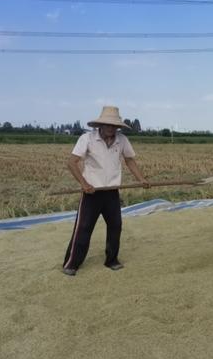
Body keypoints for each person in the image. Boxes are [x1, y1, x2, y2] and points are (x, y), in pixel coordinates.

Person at [62, 106, 150, 276]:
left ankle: (111, 260)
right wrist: (84, 183)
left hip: (112, 192)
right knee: (84, 228)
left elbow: (130, 160)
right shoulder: (87, 138)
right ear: (100, 125)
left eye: (114, 126)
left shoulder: (122, 140)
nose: (111, 129)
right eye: (108, 125)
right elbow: (71, 162)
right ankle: (72, 263)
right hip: (91, 192)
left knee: (116, 226)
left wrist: (141, 179)